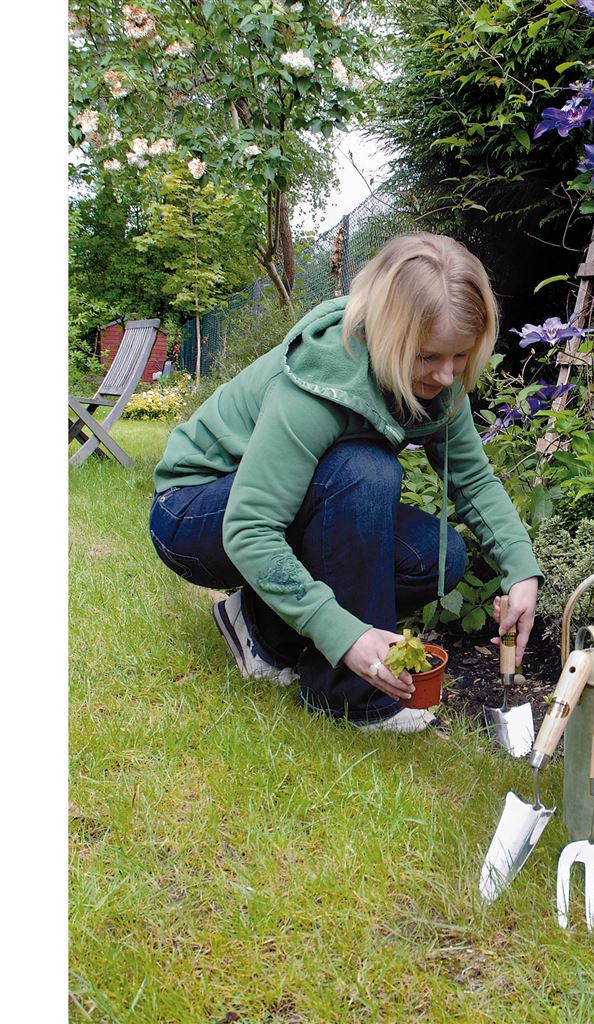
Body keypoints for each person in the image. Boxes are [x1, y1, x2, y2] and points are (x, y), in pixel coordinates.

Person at [149, 233, 542, 733]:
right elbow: (250, 528)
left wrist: (520, 569)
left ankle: (262, 629)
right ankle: (352, 697)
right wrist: (348, 635)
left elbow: (472, 479)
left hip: (280, 508)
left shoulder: (439, 384)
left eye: (460, 356)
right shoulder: (321, 381)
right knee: (365, 470)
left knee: (437, 555)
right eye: (428, 357)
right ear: (389, 335)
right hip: (195, 510)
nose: (447, 376)